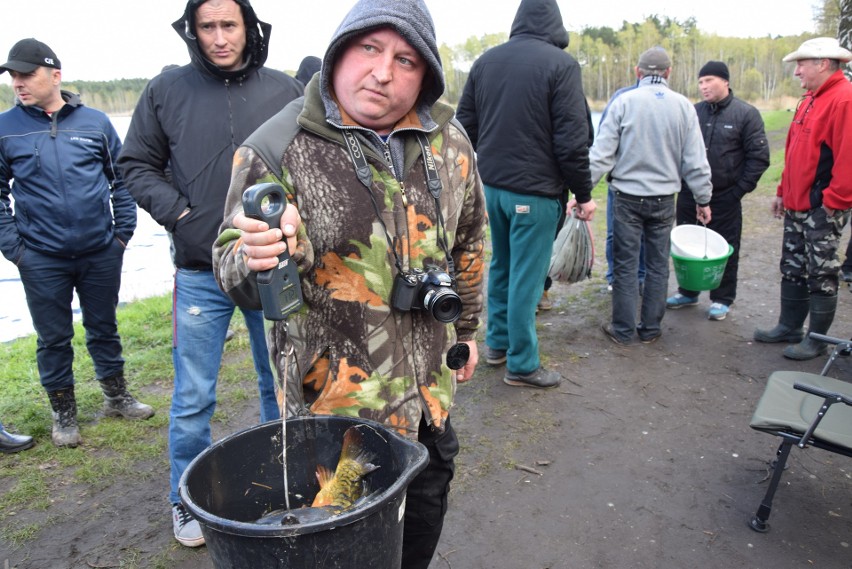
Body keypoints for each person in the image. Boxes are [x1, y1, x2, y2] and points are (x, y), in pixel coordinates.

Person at [212, 0, 486, 566]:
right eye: (370, 49)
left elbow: (470, 241)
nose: (383, 72)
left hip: (429, 401)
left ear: (426, 76)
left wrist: (467, 327)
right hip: (334, 418)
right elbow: (228, 267)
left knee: (420, 533)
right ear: (340, 52)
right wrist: (256, 256)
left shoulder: (450, 141)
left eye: (406, 60)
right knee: (343, 551)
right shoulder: (276, 147)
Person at [116, 0, 304, 548]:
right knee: (194, 395)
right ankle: (185, 500)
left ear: (249, 28)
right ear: (192, 33)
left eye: (230, 25)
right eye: (208, 27)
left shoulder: (286, 91)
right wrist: (180, 214)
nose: (220, 37)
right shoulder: (165, 90)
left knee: (280, 384)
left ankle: (286, 487)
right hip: (200, 271)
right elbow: (134, 164)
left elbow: (310, 162)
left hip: (270, 266)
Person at [0, 39, 153, 449]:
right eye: (13, 75)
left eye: (26, 74)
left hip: (101, 249)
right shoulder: (5, 128)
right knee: (53, 338)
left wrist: (122, 232)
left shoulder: (96, 123)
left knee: (104, 326)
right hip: (40, 256)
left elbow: (120, 178)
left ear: (55, 74)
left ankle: (117, 396)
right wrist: (15, 249)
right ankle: (64, 414)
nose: (18, 83)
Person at [456, 0, 595, 388]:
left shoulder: (486, 61)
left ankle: (498, 345)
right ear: (556, 23)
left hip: (493, 190)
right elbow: (572, 141)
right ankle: (522, 364)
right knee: (527, 279)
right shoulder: (561, 65)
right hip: (535, 195)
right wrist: (583, 195)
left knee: (501, 266)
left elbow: (464, 126)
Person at [590, 46, 712, 346]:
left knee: (625, 265)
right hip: (663, 200)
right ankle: (650, 329)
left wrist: (582, 192)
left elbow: (601, 155)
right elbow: (695, 160)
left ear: (638, 72)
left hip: (627, 199)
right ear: (668, 73)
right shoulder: (684, 106)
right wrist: (703, 199)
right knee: (658, 266)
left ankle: (622, 330)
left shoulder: (624, 102)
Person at [754, 37, 852, 360]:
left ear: (823, 63)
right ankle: (789, 326)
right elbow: (795, 153)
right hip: (797, 203)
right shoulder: (809, 99)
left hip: (822, 207)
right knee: (792, 266)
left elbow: (848, 158)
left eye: (801, 63)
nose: (797, 71)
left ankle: (817, 339)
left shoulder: (844, 99)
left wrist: (834, 201)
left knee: (821, 272)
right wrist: (782, 191)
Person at [666, 61, 770, 320]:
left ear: (725, 81)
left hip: (726, 196)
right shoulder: (693, 111)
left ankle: (722, 299)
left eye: (709, 80)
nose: (703, 86)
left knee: (725, 248)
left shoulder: (746, 114)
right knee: (686, 245)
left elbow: (758, 158)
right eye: (700, 82)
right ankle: (688, 291)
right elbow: (677, 149)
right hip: (690, 194)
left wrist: (737, 193)